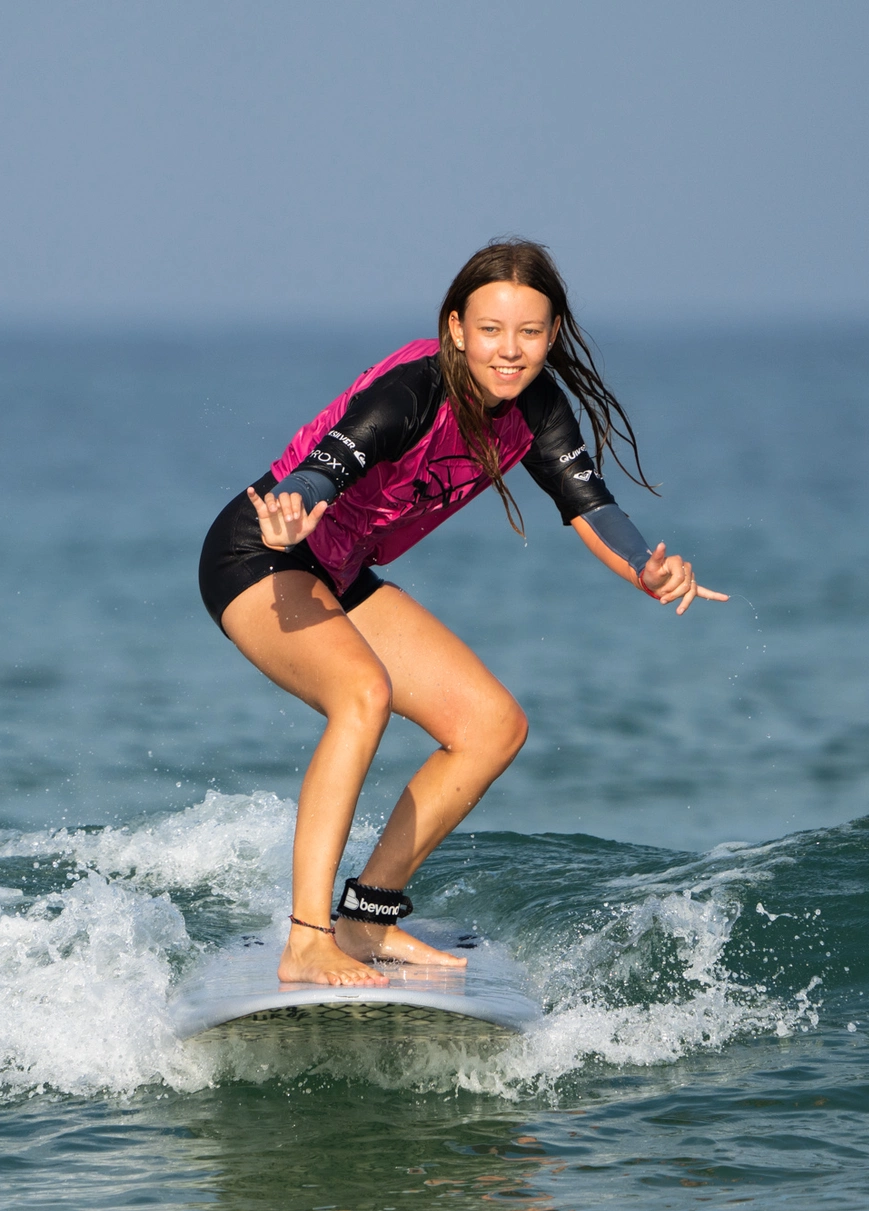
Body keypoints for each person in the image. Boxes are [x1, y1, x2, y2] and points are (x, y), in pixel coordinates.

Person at [196, 238, 728, 986]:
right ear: (455, 327)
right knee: (363, 694)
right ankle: (306, 939)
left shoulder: (537, 409)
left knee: (491, 725)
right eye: (490, 330)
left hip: (338, 569)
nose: (509, 351)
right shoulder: (412, 391)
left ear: (551, 334)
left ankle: (364, 918)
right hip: (261, 552)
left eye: (529, 333)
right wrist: (296, 509)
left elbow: (591, 505)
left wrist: (645, 566)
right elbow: (329, 465)